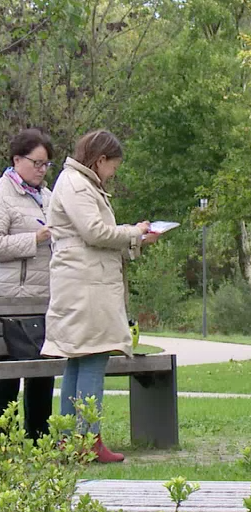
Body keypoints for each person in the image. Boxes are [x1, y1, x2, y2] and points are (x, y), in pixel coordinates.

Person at [40, 130, 161, 463]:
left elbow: (96, 236)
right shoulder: (77, 184)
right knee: (92, 356)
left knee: (79, 359)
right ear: (100, 159)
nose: (114, 174)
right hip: (85, 286)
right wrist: (134, 232)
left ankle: (71, 438)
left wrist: (136, 240)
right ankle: (87, 440)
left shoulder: (79, 183)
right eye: (113, 167)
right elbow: (94, 232)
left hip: (85, 282)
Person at [0, 128, 56, 441]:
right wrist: (32, 239)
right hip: (10, 299)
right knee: (7, 375)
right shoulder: (2, 195)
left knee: (43, 371)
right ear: (17, 159)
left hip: (44, 298)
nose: (41, 169)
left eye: (46, 164)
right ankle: (5, 438)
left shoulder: (48, 198)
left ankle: (39, 437)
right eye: (36, 163)